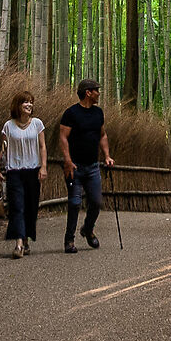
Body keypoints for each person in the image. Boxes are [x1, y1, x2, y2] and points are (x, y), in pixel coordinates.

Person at [56, 77, 113, 253]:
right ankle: (69, 240)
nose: (99, 93)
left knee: (96, 202)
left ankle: (88, 229)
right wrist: (67, 160)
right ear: (88, 93)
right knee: (74, 203)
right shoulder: (71, 113)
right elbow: (63, 137)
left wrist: (107, 156)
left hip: (93, 166)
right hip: (75, 166)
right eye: (96, 90)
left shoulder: (98, 113)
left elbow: (102, 135)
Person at [0, 93, 47, 257]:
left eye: (31, 102)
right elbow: (4, 148)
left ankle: (26, 239)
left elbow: (42, 146)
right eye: (25, 102)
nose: (29, 105)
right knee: (17, 206)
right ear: (18, 105)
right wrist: (0, 167)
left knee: (31, 207)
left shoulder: (37, 124)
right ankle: (19, 244)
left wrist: (43, 167)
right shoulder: (8, 126)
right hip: (14, 171)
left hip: (33, 170)